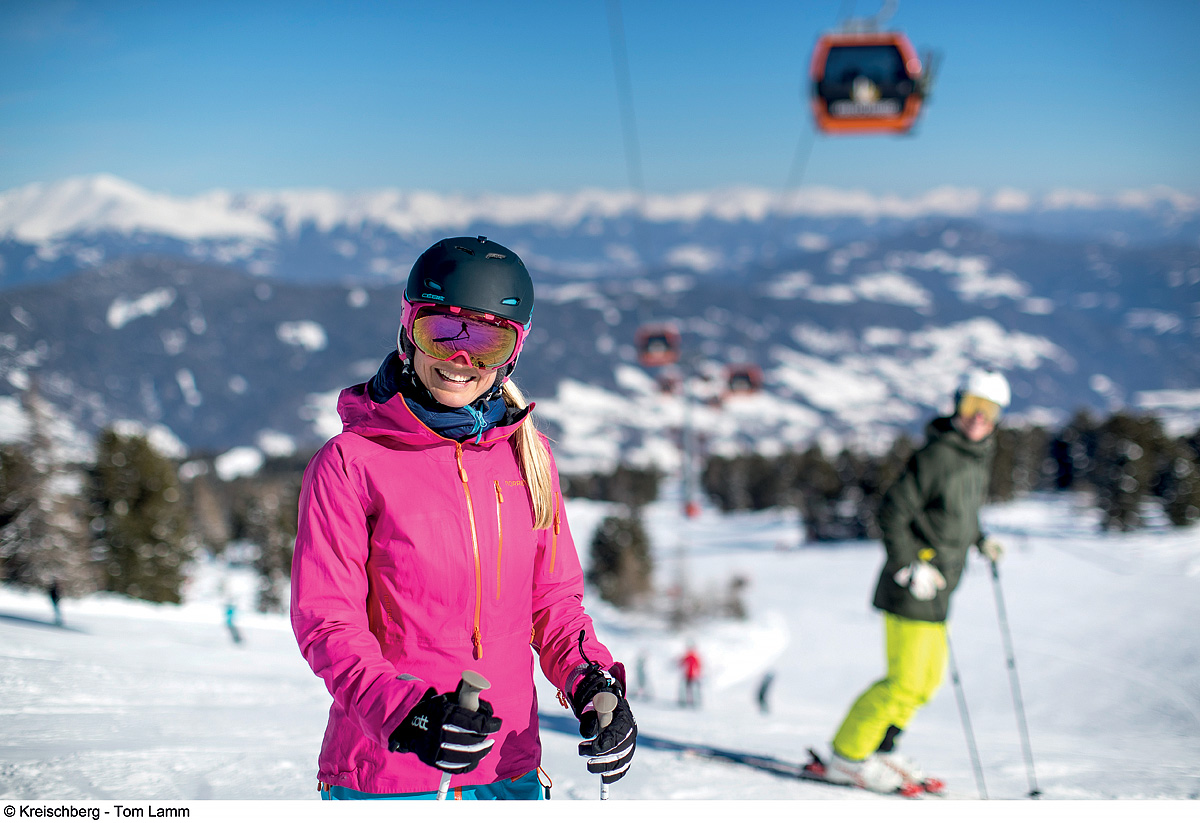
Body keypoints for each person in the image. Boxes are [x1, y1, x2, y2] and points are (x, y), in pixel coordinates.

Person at [291, 236, 637, 801]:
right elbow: (328, 624)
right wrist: (406, 713)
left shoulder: (528, 456)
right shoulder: (351, 463)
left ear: (512, 353)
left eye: (486, 340)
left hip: (509, 771)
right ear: (408, 331)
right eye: (442, 332)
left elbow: (553, 604)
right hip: (392, 774)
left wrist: (593, 684)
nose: (460, 359)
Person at [823, 369, 1011, 794]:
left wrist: (980, 539)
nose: (978, 417)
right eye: (972, 406)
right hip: (912, 586)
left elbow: (957, 512)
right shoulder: (938, 455)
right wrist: (908, 565)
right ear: (957, 404)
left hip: (941, 589)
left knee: (924, 683)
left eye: (989, 410)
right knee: (904, 681)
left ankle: (883, 748)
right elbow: (892, 511)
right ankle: (847, 756)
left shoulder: (974, 456)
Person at [679, 643, 702, 708]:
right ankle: (686, 701)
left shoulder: (692, 657)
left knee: (692, 689)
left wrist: (698, 674)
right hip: (688, 675)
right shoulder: (689, 657)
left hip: (692, 676)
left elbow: (698, 666)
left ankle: (694, 701)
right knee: (687, 689)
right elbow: (682, 663)